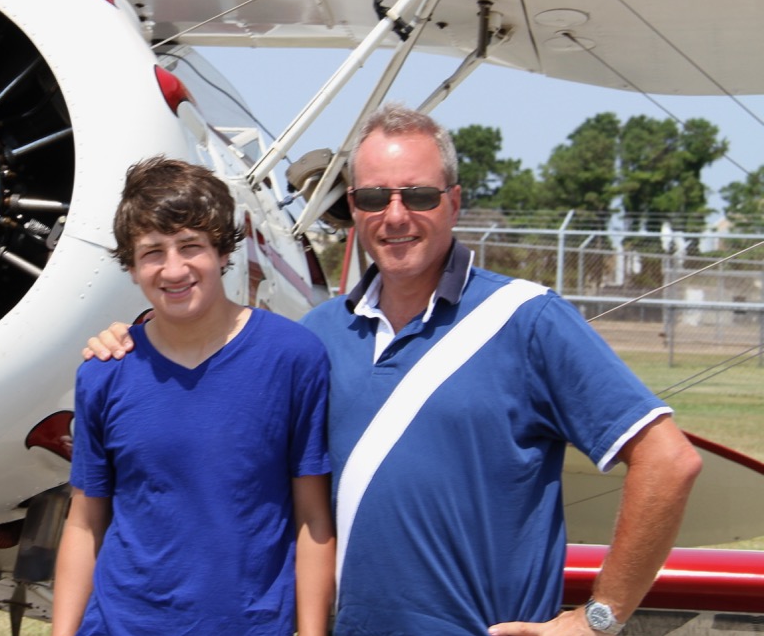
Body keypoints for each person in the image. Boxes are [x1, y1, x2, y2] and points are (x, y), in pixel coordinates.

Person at [84, 105, 702, 636]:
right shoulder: (318, 336)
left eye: (420, 195)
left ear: (455, 203)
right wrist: (132, 339)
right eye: (375, 197)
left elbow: (669, 460)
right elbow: (214, 383)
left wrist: (599, 617)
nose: (396, 215)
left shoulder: (528, 318)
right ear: (353, 207)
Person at [53, 156, 335, 636]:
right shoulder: (104, 373)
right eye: (152, 252)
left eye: (191, 246)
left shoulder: (294, 358)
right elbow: (85, 519)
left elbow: (313, 517)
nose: (174, 269)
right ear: (132, 266)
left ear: (223, 251)